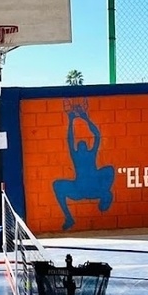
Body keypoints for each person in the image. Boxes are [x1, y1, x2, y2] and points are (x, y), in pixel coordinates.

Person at [53, 99, 115, 231]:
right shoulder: (76, 156)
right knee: (57, 185)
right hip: (79, 189)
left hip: (94, 188)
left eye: (84, 144)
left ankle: (104, 198)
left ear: (87, 147)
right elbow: (70, 139)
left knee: (109, 169)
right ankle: (69, 218)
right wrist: (71, 120)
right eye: (79, 144)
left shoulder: (91, 154)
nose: (81, 143)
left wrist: (86, 119)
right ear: (78, 148)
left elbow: (97, 136)